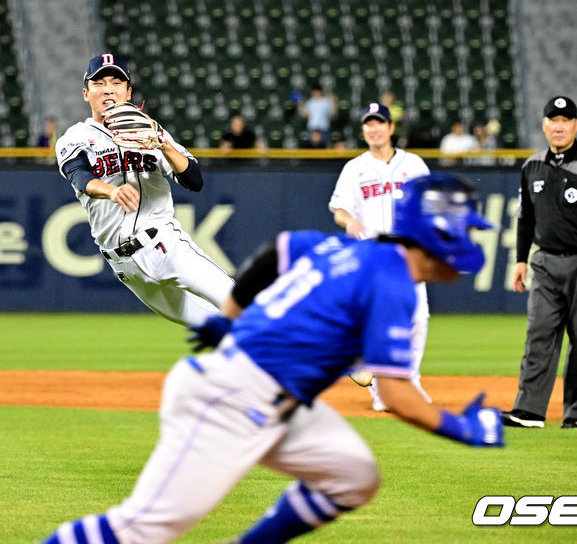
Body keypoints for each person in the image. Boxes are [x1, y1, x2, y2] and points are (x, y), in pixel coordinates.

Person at [41, 173, 504, 544]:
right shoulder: (393, 284)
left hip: (276, 399)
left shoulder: (350, 250)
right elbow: (398, 396)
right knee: (141, 529)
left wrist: (231, 315)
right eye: (463, 227)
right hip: (229, 397)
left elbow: (280, 249)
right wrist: (464, 428)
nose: (468, 238)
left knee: (354, 475)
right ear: (435, 230)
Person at [55, 53, 234, 327]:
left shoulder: (152, 131)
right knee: (213, 327)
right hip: (124, 266)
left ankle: (305, 357)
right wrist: (111, 192)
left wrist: (164, 143)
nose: (107, 89)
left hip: (165, 245)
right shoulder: (76, 137)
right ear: (86, 93)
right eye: (99, 83)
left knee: (236, 302)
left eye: (116, 82)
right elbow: (80, 177)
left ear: (128, 91)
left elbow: (194, 180)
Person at [502, 96, 577, 430]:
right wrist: (521, 260)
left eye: (565, 119)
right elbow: (525, 219)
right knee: (538, 334)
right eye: (552, 119)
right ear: (543, 125)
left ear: (576, 125)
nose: (558, 126)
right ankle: (529, 411)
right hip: (545, 261)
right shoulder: (532, 167)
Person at [328, 102, 431, 411]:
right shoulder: (354, 168)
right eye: (368, 124)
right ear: (363, 130)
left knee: (417, 318)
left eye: (379, 123)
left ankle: (407, 383)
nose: (373, 128)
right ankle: (382, 392)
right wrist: (349, 220)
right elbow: (339, 209)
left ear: (390, 128)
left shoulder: (413, 165)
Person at [298, 82, 337, 147]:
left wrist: (334, 102)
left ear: (320, 91)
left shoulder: (326, 101)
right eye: (314, 91)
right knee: (311, 148)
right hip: (312, 128)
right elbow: (305, 115)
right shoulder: (310, 102)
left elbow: (333, 114)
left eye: (317, 91)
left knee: (325, 147)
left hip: (323, 128)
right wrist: (300, 105)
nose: (315, 93)